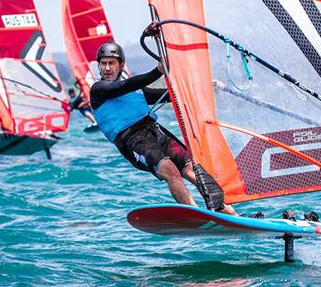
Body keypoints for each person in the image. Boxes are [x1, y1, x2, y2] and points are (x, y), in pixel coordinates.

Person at [89, 42, 236, 215]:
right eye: (103, 63)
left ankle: (231, 214)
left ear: (120, 65)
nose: (107, 68)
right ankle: (197, 215)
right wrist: (158, 70)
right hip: (134, 141)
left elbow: (166, 95)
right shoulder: (98, 90)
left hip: (156, 131)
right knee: (170, 170)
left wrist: (202, 86)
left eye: (111, 63)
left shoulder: (137, 92)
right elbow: (125, 85)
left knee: (191, 168)